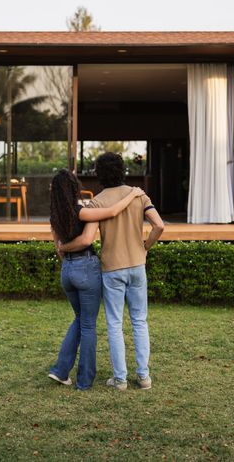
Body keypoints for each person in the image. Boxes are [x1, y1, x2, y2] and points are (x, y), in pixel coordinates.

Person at [59, 152, 164, 390]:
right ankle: (144, 376)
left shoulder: (97, 201)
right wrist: (145, 246)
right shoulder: (139, 195)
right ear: (123, 170)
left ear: (99, 175)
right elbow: (159, 225)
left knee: (114, 324)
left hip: (111, 267)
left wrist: (63, 247)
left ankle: (120, 379)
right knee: (140, 321)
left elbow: (88, 237)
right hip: (137, 264)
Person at [47, 169, 145, 391]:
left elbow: (59, 250)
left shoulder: (54, 217)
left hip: (67, 271)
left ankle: (61, 370)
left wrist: (65, 250)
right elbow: (110, 213)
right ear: (73, 190)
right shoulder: (79, 212)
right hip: (86, 267)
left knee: (80, 318)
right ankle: (84, 381)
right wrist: (132, 195)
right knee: (88, 324)